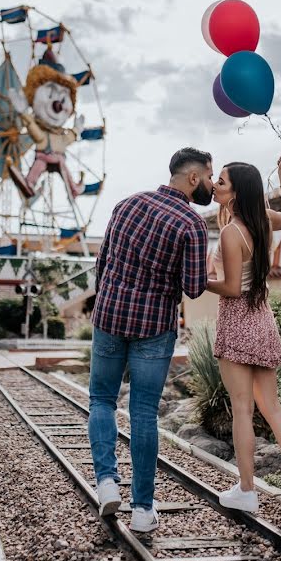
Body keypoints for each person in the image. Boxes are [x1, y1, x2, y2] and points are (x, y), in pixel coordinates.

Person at [90, 147, 213, 532]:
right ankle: (143, 509)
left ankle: (107, 482)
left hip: (109, 316)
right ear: (194, 178)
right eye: (210, 175)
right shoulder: (191, 225)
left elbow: (102, 261)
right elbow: (193, 289)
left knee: (102, 400)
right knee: (143, 413)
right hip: (153, 328)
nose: (212, 183)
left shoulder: (127, 204)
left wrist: (111, 297)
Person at [206, 150, 281, 528]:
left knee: (242, 410)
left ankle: (246, 489)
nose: (214, 185)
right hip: (263, 321)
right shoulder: (261, 221)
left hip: (238, 322)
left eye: (221, 181)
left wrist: (196, 280)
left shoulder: (231, 231)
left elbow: (232, 289)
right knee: (272, 408)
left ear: (236, 192)